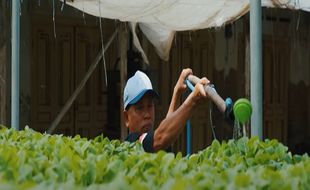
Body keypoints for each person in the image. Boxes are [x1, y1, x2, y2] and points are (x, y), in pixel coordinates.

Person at [124, 68, 209, 152]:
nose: (147, 115)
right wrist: (193, 101)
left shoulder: (153, 142)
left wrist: (177, 91)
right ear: (126, 118)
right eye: (139, 108)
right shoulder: (131, 143)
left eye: (150, 106)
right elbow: (160, 138)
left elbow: (167, 130)